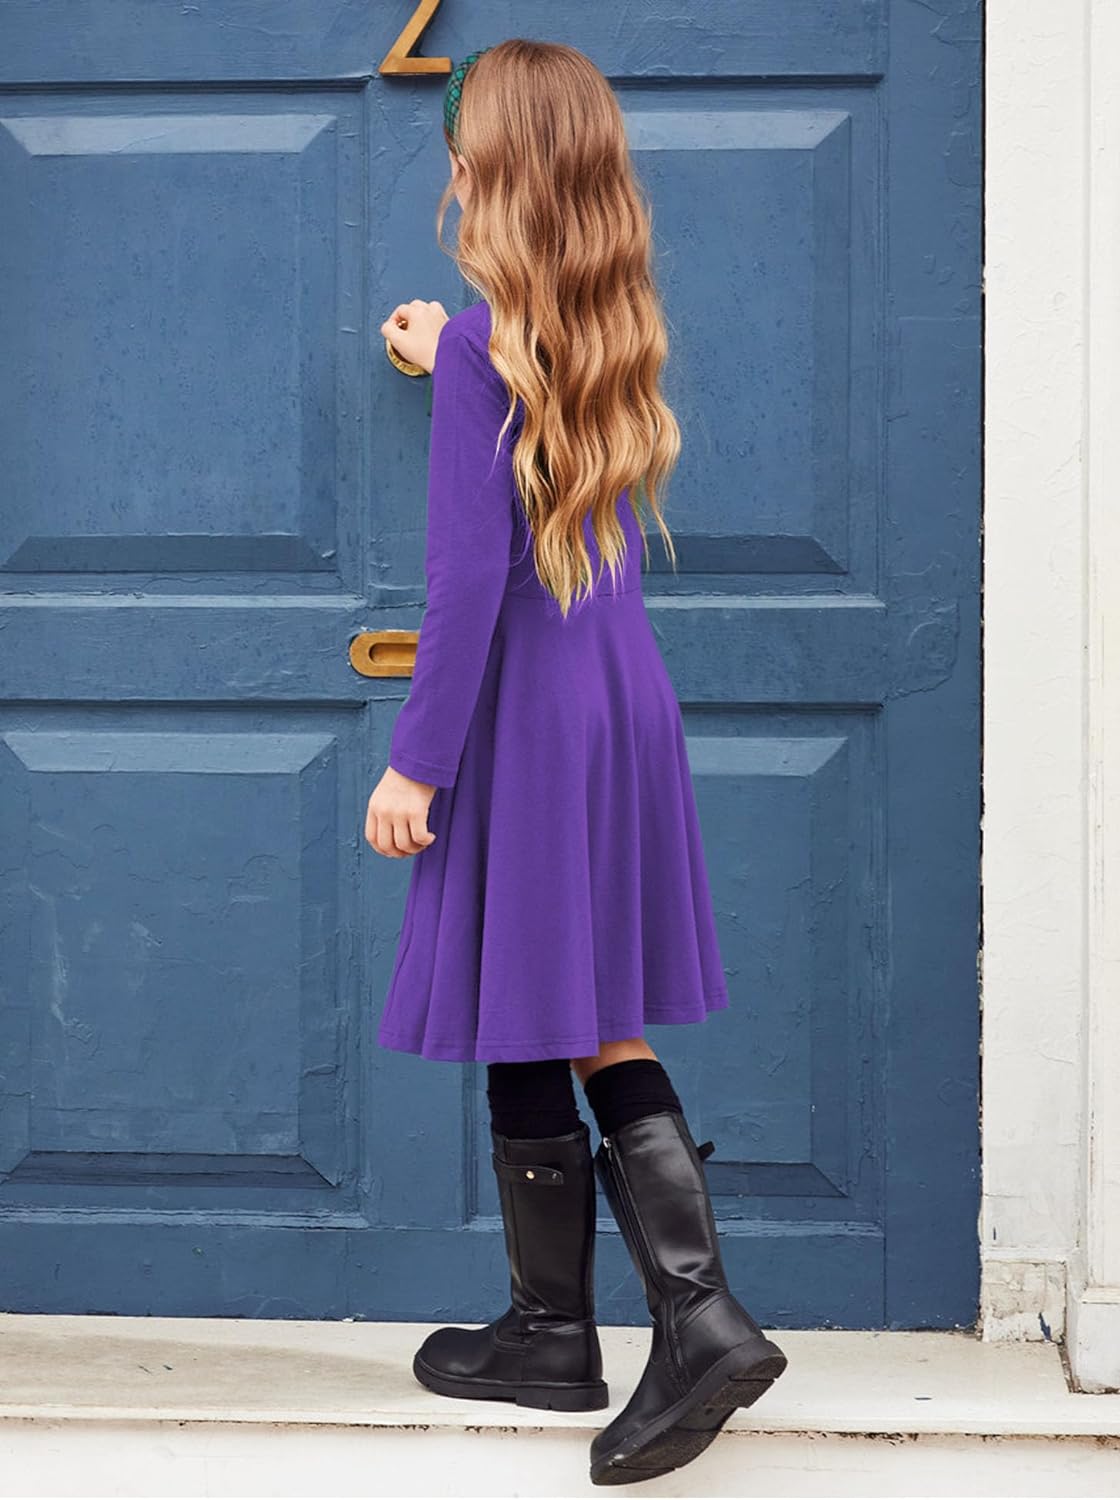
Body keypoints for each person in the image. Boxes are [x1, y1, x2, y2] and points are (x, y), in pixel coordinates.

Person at [365, 39, 787, 1487]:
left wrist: (416, 763)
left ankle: (700, 1319)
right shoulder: (598, 322)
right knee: (547, 992)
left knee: (585, 1010)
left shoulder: (485, 348)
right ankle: (550, 1335)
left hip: (527, 718)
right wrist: (444, 351)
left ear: (486, 170)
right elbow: (518, 422)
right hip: (618, 699)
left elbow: (467, 578)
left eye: (460, 147)